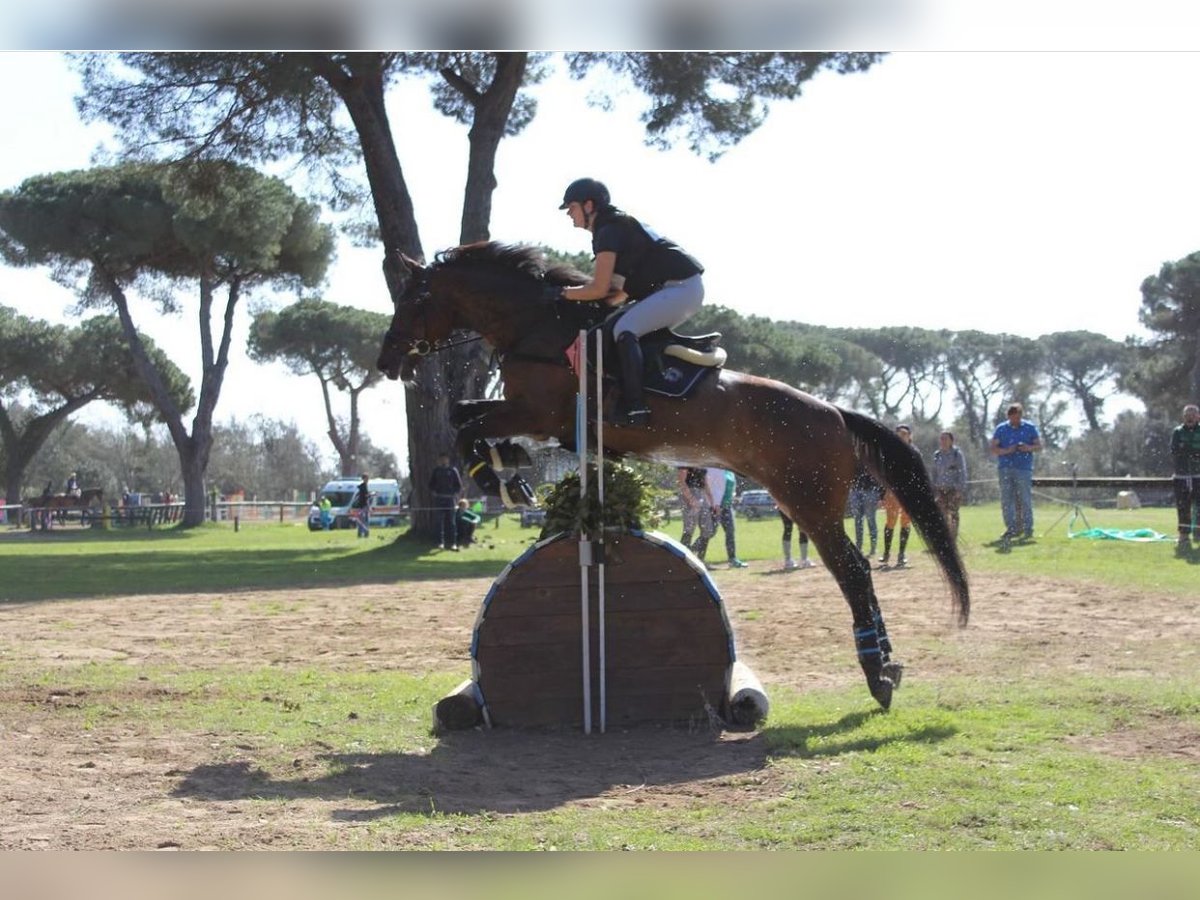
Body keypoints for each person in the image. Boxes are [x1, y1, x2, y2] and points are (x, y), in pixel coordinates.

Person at [557, 177, 705, 428]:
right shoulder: (612, 228)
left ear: (589, 206)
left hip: (681, 288)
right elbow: (617, 293)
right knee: (615, 324)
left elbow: (599, 288)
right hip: (674, 289)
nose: (569, 215)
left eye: (571, 208)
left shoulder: (608, 231)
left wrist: (560, 293)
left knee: (624, 329)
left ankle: (636, 406)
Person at [990, 402, 1043, 540]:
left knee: (1025, 499)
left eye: (1018, 417)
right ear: (1009, 416)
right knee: (1007, 499)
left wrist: (1027, 448)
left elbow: (1039, 446)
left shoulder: (1030, 427)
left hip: (1023, 468)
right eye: (1013, 417)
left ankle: (1028, 528)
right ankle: (1011, 528)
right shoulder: (1001, 429)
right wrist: (1008, 450)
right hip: (1005, 468)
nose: (1016, 420)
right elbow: (994, 449)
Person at [879, 424, 920, 567]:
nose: (901, 436)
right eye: (898, 434)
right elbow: (883, 475)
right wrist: (881, 495)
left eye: (904, 434)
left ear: (910, 436)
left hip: (909, 492)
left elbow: (920, 474)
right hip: (892, 492)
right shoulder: (889, 452)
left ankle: (901, 554)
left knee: (905, 522)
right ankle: (886, 553)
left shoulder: (915, 452)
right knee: (890, 523)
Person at [1170, 403, 1200, 554]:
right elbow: (1175, 450)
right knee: (1183, 506)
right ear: (1184, 417)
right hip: (1181, 476)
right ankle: (1183, 535)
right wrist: (1191, 451)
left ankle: (1198, 534)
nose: (1190, 417)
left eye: (1193, 414)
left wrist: (1189, 450)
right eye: (1188, 415)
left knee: (1199, 506)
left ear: (1198, 417)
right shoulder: (1178, 431)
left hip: (1198, 475)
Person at [931, 430, 968, 543]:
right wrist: (934, 490)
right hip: (940, 490)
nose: (942, 441)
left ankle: (952, 541)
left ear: (951, 441)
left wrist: (959, 490)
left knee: (953, 515)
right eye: (941, 438)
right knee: (940, 516)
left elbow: (962, 472)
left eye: (945, 438)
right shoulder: (937, 455)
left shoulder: (957, 454)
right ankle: (942, 540)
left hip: (953, 489)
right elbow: (934, 473)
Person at [707, 467, 748, 568]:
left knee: (730, 532)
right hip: (715, 506)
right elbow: (710, 487)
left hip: (727, 505)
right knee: (709, 533)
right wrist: (715, 504)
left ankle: (732, 559)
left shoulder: (729, 471)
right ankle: (694, 553)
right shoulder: (713, 469)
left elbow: (731, 487)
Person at [677, 466, 716, 564]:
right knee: (689, 528)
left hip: (701, 493)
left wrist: (712, 501)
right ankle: (682, 561)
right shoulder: (686, 461)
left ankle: (700, 561)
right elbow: (681, 481)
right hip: (688, 493)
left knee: (708, 529)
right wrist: (691, 499)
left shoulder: (702, 462)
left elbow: (705, 483)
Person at [429, 454, 464, 550]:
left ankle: (453, 543)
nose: (443, 460)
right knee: (439, 522)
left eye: (445, 458)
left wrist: (455, 493)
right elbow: (431, 484)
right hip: (439, 499)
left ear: (448, 460)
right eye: (442, 459)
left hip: (450, 499)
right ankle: (440, 542)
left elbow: (458, 485)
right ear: (439, 460)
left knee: (452, 522)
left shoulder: (453, 470)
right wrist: (434, 492)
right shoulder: (436, 471)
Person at [848, 464, 882, 558]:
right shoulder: (854, 454)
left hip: (870, 490)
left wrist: (881, 495)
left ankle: (873, 547)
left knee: (870, 520)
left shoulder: (870, 454)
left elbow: (879, 473)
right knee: (858, 521)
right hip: (856, 490)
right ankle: (859, 547)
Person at [352, 474, 371, 538]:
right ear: (364, 479)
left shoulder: (361, 487)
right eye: (367, 478)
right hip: (363, 506)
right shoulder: (364, 486)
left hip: (361, 506)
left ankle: (360, 534)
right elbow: (366, 496)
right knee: (365, 520)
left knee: (361, 520)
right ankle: (365, 533)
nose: (368, 480)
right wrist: (372, 494)